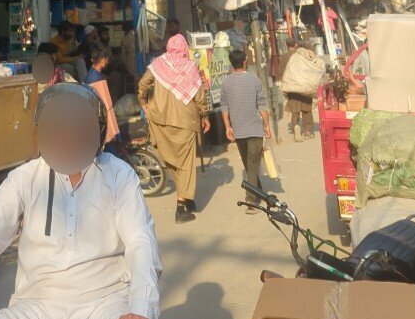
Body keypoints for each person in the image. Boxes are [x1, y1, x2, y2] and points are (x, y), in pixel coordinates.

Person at [0, 83, 161, 319]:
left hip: (105, 301)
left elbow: (141, 241)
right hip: (34, 306)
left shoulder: (118, 175)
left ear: (96, 130)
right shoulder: (25, 178)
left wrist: (139, 309)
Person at [138, 34, 210, 224]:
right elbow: (200, 96)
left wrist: (144, 104)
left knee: (172, 161)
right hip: (185, 121)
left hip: (160, 120)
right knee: (186, 163)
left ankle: (187, 199)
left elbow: (142, 85)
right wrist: (204, 115)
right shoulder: (190, 66)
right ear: (184, 48)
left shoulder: (157, 65)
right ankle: (181, 208)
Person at [220, 48, 271, 213]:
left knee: (250, 164)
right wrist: (267, 125)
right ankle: (251, 201)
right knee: (252, 164)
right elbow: (262, 105)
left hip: (239, 130)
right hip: (255, 129)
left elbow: (224, 107)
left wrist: (228, 126)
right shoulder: (254, 80)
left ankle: (260, 194)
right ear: (244, 62)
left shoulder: (226, 82)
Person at [282, 41, 322, 141]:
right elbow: (316, 71)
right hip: (305, 89)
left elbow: (285, 71)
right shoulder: (309, 57)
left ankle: (296, 126)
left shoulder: (293, 57)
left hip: (292, 89)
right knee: (306, 110)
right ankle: (308, 132)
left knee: (294, 111)